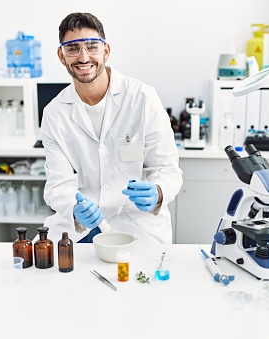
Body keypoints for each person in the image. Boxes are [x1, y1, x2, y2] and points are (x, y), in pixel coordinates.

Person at [41, 12, 183, 244]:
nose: (84, 57)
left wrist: (158, 191)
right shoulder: (54, 113)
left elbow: (168, 168)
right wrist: (73, 208)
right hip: (83, 226)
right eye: (73, 48)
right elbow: (58, 185)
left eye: (92, 47)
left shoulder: (142, 98)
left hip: (137, 222)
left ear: (106, 51)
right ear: (61, 55)